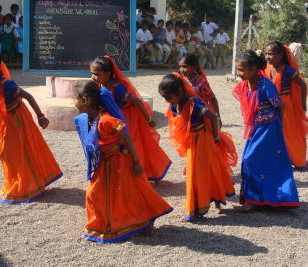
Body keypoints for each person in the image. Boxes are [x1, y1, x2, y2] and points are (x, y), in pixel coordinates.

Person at [73, 80, 173, 243]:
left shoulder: (105, 120)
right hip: (106, 163)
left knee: (120, 192)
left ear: (86, 101)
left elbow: (127, 137)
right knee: (102, 193)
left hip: (119, 162)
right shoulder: (92, 119)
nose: (74, 103)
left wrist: (136, 162)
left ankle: (108, 226)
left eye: (75, 99)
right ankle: (105, 224)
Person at [0, 49, 63, 204]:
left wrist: (40, 116)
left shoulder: (6, 85)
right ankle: (14, 179)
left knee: (18, 152)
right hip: (2, 122)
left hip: (16, 121)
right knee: (5, 153)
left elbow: (28, 96)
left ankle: (27, 185)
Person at [158, 73, 235, 220]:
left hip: (202, 140)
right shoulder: (175, 105)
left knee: (198, 172)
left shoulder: (194, 104)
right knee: (202, 171)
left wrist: (215, 137)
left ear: (180, 92)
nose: (168, 102)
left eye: (169, 98)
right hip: (191, 142)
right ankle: (206, 202)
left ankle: (195, 210)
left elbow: (212, 117)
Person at [232, 50, 300, 212]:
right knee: (252, 161)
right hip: (255, 127)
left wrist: (280, 126)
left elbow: (280, 105)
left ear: (253, 69)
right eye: (238, 69)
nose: (239, 73)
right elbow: (243, 99)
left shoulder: (266, 85)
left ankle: (261, 199)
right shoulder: (244, 85)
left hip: (269, 128)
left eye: (242, 70)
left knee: (253, 160)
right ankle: (255, 199)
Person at [90, 56, 172, 182]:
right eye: (92, 73)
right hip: (113, 120)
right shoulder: (102, 85)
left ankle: (138, 173)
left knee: (131, 144)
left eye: (96, 74)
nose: (92, 77)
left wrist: (148, 119)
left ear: (107, 74)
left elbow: (138, 101)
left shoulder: (117, 88)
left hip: (127, 119)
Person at [178, 54, 238, 171]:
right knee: (190, 141)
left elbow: (213, 99)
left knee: (206, 143)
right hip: (190, 117)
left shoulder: (201, 83)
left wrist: (218, 117)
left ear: (194, 67)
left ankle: (211, 166)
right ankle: (191, 163)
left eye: (185, 66)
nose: (181, 70)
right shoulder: (183, 81)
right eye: (180, 66)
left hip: (203, 117)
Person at [263, 41, 308, 170]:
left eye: (271, 54)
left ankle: (296, 159)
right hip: (272, 104)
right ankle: (278, 159)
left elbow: (302, 85)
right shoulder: (267, 69)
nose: (267, 57)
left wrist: (303, 104)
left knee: (288, 132)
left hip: (286, 106)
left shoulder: (287, 70)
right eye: (266, 54)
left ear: (280, 55)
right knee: (273, 131)